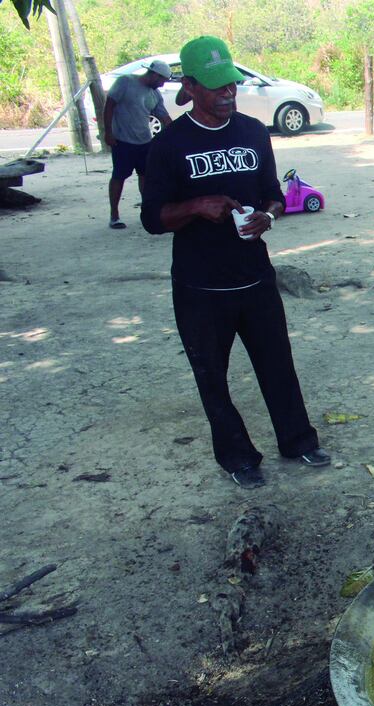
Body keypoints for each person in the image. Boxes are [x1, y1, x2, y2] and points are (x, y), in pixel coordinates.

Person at [140, 36, 328, 489]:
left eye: (231, 84)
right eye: (216, 86)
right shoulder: (168, 146)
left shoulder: (252, 131)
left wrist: (268, 216)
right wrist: (195, 207)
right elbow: (151, 218)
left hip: (256, 277)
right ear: (189, 87)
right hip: (199, 288)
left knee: (278, 363)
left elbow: (274, 195)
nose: (228, 93)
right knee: (213, 377)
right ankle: (238, 457)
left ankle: (299, 441)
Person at [104, 60, 172, 229]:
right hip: (123, 140)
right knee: (119, 176)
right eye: (162, 80)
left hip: (144, 140)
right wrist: (108, 132)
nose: (162, 84)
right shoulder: (126, 82)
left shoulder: (154, 94)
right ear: (154, 75)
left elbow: (164, 116)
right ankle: (114, 214)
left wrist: (174, 136)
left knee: (146, 177)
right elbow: (109, 106)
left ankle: (147, 210)